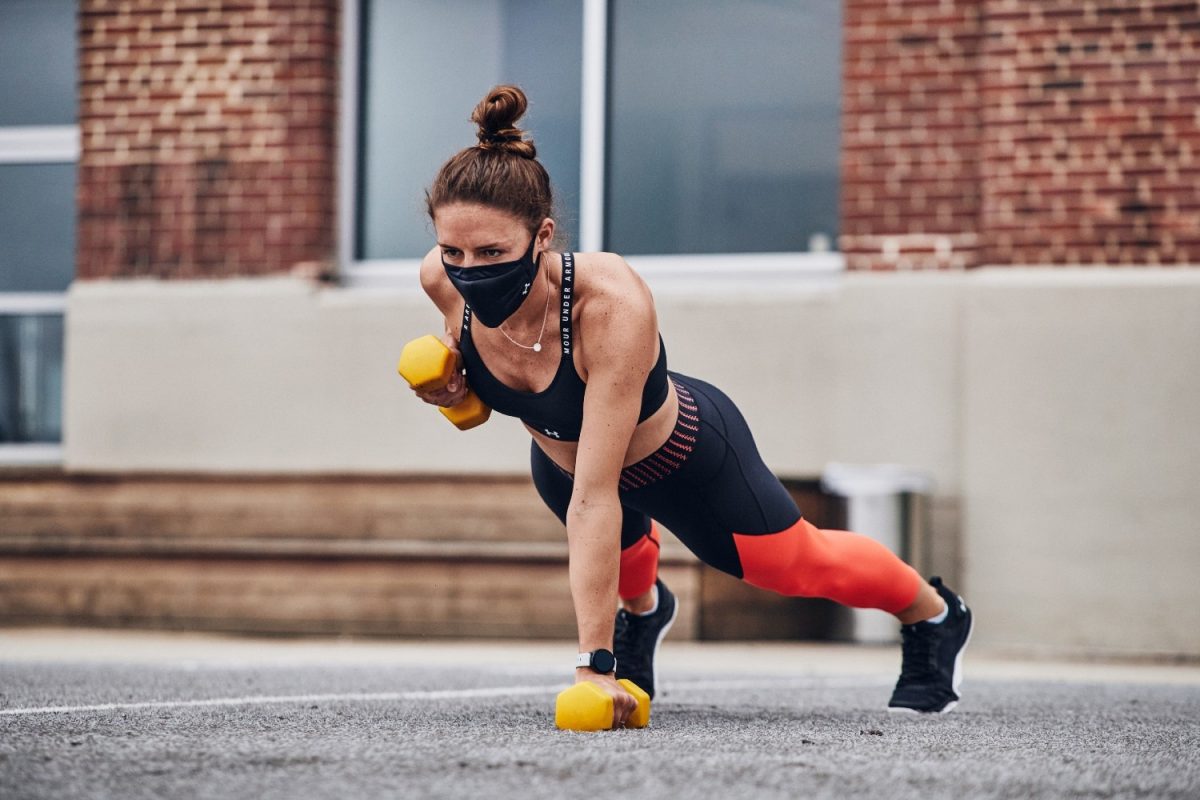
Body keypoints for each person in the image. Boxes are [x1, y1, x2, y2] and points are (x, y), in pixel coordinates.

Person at [413, 85, 972, 727]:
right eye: (453, 251)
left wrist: (592, 670)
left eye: (491, 254)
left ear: (542, 237)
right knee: (619, 561)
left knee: (796, 565)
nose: (467, 268)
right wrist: (455, 388)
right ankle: (646, 615)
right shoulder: (442, 280)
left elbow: (599, 496)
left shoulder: (611, 304)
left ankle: (933, 614)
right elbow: (499, 378)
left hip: (683, 460)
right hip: (563, 465)